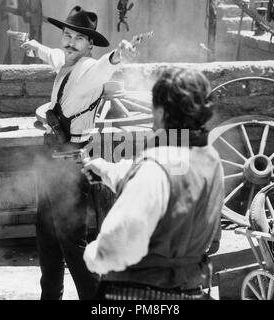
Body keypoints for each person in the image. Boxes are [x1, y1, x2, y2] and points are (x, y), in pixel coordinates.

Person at [21, 6, 135, 300]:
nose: (70, 42)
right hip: (51, 164)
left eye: (78, 38)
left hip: (70, 168)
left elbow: (106, 66)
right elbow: (53, 54)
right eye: (67, 35)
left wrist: (118, 54)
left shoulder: (88, 70)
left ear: (89, 45)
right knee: (47, 241)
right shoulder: (65, 61)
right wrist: (32, 46)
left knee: (73, 248)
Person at [82, 67, 225, 300]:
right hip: (191, 289)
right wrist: (105, 169)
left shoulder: (155, 167)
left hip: (142, 296)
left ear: (161, 110)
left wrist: (94, 256)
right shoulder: (210, 158)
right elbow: (170, 186)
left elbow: (120, 244)